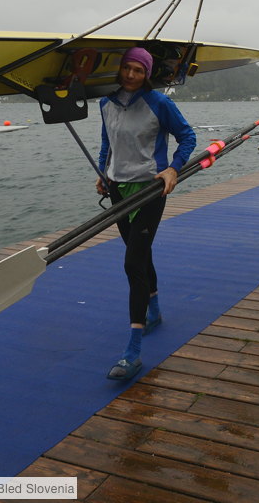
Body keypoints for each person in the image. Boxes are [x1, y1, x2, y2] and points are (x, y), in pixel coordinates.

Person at [97, 47, 196, 382]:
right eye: (127, 68)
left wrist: (172, 169)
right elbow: (106, 143)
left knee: (131, 262)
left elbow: (187, 137)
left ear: (147, 75)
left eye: (138, 71)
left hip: (150, 189)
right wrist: (102, 171)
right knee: (138, 254)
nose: (130, 75)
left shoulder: (160, 103)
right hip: (117, 189)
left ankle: (132, 352)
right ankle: (153, 310)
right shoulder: (105, 103)